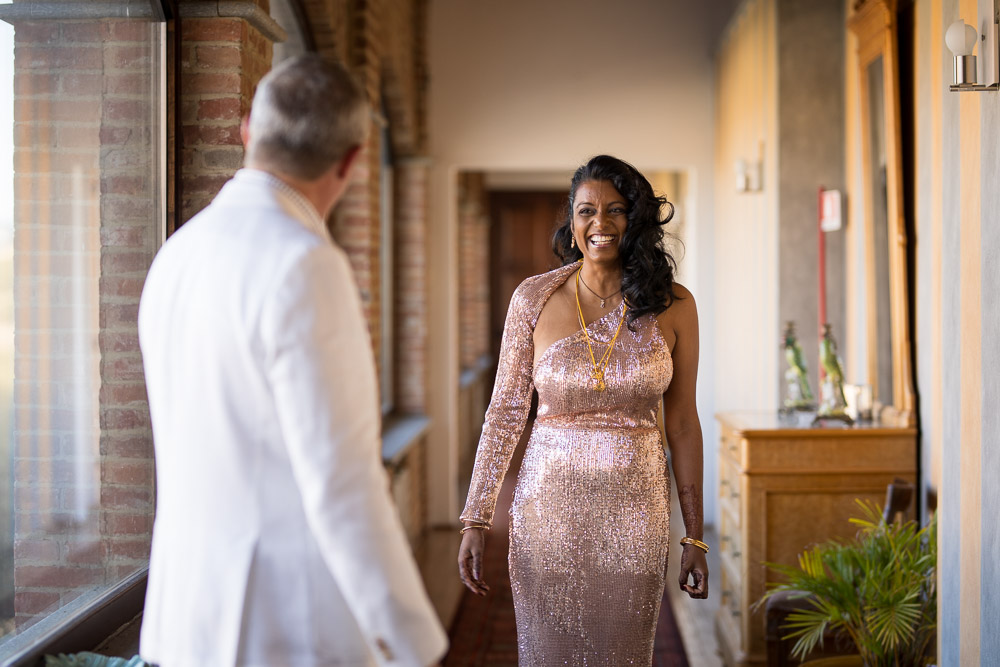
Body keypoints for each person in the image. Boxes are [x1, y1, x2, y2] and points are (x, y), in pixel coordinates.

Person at [138, 54, 447, 667]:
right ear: (352, 161)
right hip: (279, 627)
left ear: (247, 131)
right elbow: (344, 485)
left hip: (183, 622)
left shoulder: (175, 254)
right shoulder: (305, 265)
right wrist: (415, 646)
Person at [457, 155, 709, 664]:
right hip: (546, 511)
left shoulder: (675, 305)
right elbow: (504, 413)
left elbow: (683, 424)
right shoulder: (533, 298)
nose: (601, 223)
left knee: (623, 651)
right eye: (587, 210)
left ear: (635, 219)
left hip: (637, 513)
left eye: (616, 210)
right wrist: (476, 518)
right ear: (571, 223)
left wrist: (695, 537)